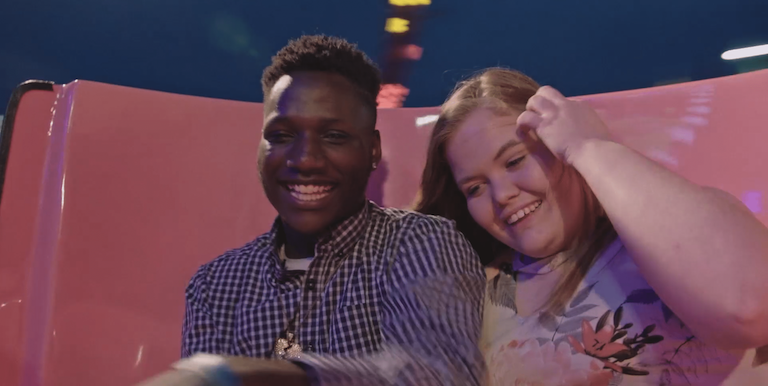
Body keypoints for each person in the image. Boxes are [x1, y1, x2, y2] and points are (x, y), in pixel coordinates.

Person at [135, 35, 486, 386]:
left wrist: (259, 377)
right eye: (282, 135)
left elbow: (441, 374)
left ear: (373, 150)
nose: (304, 159)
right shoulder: (215, 284)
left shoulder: (420, 242)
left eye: (333, 136)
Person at [414, 68, 768, 385]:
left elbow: (749, 304)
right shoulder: (474, 295)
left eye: (515, 160)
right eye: (474, 188)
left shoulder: (659, 238)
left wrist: (589, 146)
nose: (501, 194)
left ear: (558, 143)